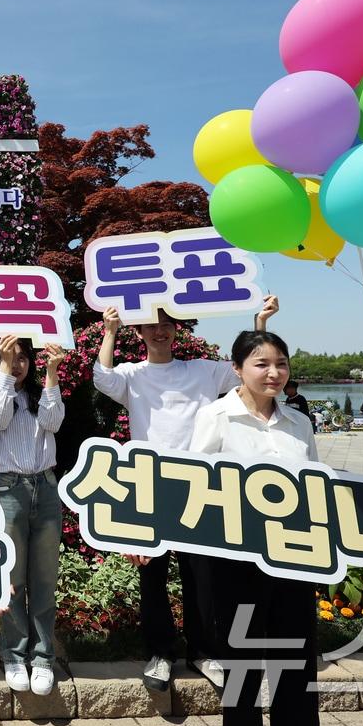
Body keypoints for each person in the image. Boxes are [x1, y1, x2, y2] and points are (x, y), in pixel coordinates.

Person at [92, 295, 278, 693]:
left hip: (199, 484)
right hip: (150, 485)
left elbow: (250, 373)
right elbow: (101, 379)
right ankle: (161, 654)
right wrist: (109, 331)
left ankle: (202, 651)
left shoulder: (203, 371)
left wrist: (258, 324)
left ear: (177, 329)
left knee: (203, 577)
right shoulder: (131, 374)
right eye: (151, 325)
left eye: (166, 323)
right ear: (139, 332)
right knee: (152, 575)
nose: (160, 331)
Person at [188, 330, 320, 726]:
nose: (274, 372)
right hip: (235, 561)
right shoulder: (216, 416)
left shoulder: (299, 421)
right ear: (238, 369)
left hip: (296, 558)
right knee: (242, 668)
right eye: (261, 364)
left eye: (281, 363)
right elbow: (197, 484)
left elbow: (318, 486)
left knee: (294, 665)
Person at [0, 336, 66, 696]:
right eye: (10, 358)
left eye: (23, 358)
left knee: (45, 578)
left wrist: (52, 373)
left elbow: (54, 421)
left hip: (45, 489)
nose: (17, 364)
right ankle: (14, 655)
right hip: (8, 492)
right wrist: (4, 370)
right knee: (11, 578)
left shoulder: (39, 397)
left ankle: (43, 657)